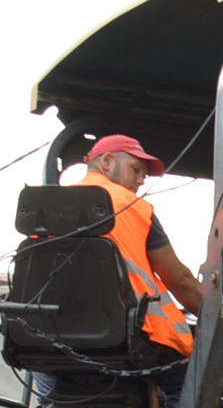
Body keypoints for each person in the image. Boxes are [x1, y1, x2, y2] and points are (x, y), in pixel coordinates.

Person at [72, 135, 202, 357]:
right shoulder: (131, 207)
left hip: (53, 338)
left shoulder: (47, 204)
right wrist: (218, 315)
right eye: (135, 169)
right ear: (107, 162)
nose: (141, 180)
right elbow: (179, 280)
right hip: (127, 340)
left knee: (49, 381)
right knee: (190, 377)